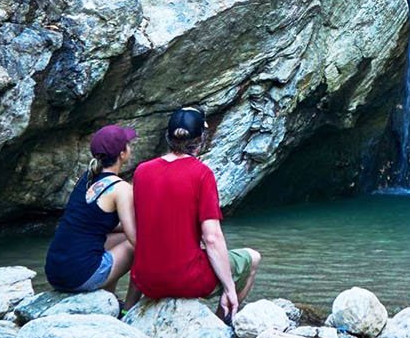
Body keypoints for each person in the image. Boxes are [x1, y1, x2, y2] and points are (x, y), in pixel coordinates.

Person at [131, 106, 260, 320]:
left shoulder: (142, 171)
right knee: (253, 259)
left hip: (145, 279)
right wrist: (228, 287)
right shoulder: (202, 174)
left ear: (167, 137)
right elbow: (211, 238)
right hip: (184, 280)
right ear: (201, 140)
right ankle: (220, 322)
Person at [43, 124, 138, 295]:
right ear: (122, 154)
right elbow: (136, 239)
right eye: (128, 144)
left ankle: (110, 299)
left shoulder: (86, 177)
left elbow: (95, 223)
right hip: (79, 276)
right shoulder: (121, 189)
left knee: (119, 237)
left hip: (55, 272)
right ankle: (128, 309)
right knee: (134, 247)